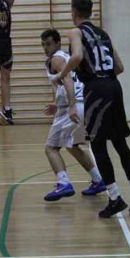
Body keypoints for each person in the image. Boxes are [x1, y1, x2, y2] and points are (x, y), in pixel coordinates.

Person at [51, 0, 130, 218]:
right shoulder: (103, 34)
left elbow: (77, 56)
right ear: (91, 11)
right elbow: (119, 67)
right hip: (114, 86)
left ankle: (115, 198)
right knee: (120, 144)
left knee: (99, 145)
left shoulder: (75, 32)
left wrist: (61, 74)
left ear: (73, 11)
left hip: (96, 89)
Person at [40, 29, 107, 202]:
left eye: (49, 44)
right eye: (43, 45)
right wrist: (60, 104)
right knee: (73, 146)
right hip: (82, 104)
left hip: (73, 107)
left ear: (58, 43)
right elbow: (73, 83)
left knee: (51, 148)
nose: (45, 48)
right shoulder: (67, 57)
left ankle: (63, 183)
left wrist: (70, 106)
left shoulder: (56, 59)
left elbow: (68, 80)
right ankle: (98, 180)